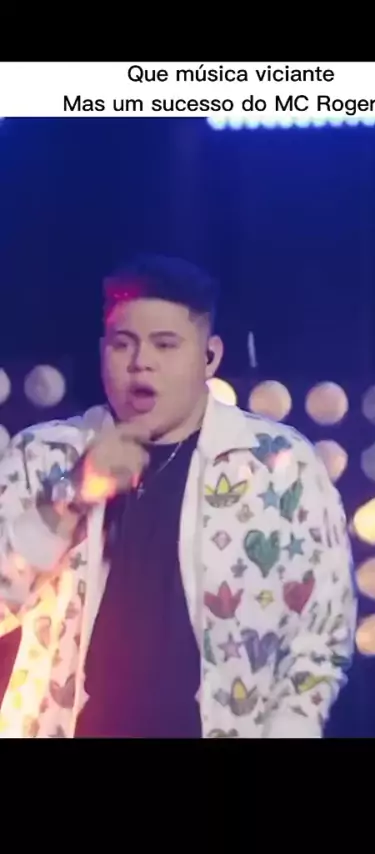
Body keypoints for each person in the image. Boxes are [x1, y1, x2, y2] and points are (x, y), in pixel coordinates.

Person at [0, 254, 356, 738]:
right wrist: (70, 497)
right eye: (123, 344)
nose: (140, 362)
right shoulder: (43, 455)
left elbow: (323, 634)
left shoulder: (278, 465)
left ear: (210, 356)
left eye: (165, 344)